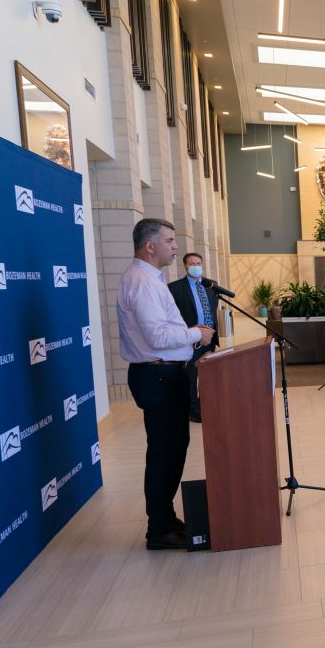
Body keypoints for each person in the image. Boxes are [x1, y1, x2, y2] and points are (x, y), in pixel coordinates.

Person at [118, 218, 215, 550]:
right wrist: (195, 334)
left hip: (166, 373)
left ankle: (164, 518)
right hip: (157, 374)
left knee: (173, 449)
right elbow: (157, 336)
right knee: (163, 452)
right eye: (170, 241)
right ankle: (159, 528)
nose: (176, 246)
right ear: (150, 246)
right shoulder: (142, 282)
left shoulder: (151, 279)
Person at [167, 252, 219, 423]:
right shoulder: (175, 288)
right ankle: (193, 410)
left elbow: (212, 309)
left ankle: (207, 405)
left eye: (198, 263)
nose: (196, 266)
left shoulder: (210, 286)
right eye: (192, 264)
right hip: (190, 339)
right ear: (185, 266)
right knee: (191, 376)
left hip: (209, 338)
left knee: (208, 376)